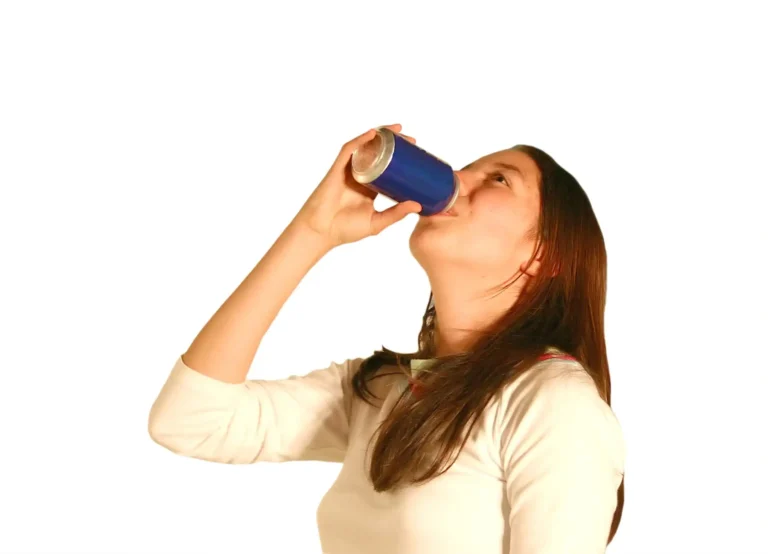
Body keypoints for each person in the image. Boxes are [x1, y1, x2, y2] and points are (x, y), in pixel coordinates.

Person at [148, 124, 626, 554]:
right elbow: (189, 420)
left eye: (500, 179)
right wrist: (313, 232)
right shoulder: (382, 390)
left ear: (544, 257)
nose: (459, 179)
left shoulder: (551, 401)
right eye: (467, 169)